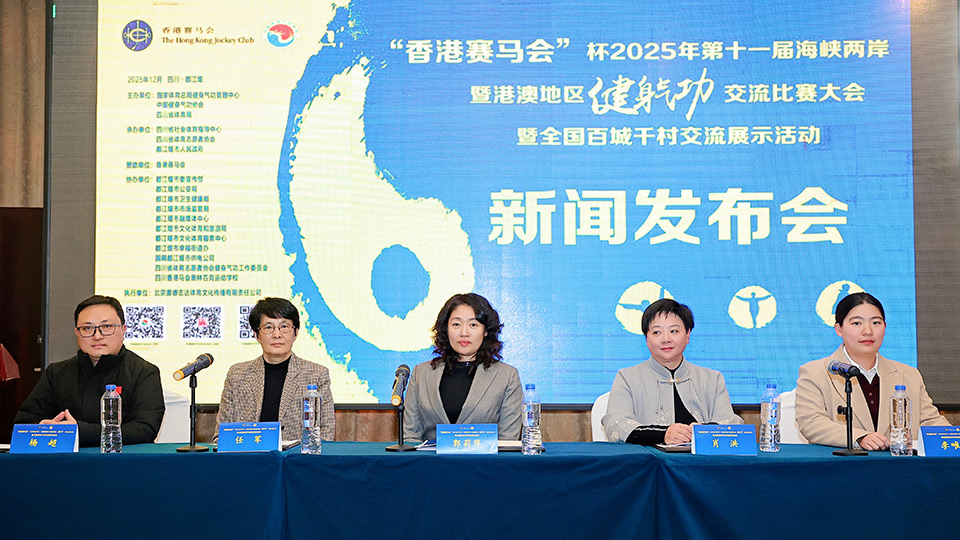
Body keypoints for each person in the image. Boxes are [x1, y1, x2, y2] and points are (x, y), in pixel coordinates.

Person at [796, 292, 949, 450]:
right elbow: (811, 423)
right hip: (841, 464)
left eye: (876, 323)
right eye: (857, 323)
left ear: (885, 327)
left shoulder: (909, 374)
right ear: (839, 329)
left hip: (899, 464)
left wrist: (952, 438)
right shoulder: (814, 372)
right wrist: (859, 438)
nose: (868, 331)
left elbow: (930, 421)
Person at [14, 295, 165, 446]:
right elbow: (23, 423)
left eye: (106, 327)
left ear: (123, 330)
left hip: (121, 459)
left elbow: (145, 429)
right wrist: (45, 428)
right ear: (77, 333)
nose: (97, 336)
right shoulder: (57, 373)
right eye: (87, 328)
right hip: (67, 460)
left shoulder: (144, 372)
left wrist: (77, 431)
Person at [602, 299, 741, 445]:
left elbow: (731, 423)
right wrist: (663, 435)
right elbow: (616, 425)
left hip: (700, 459)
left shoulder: (712, 379)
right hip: (648, 459)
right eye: (657, 332)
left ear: (687, 334)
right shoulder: (627, 377)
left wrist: (703, 431)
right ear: (646, 339)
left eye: (674, 331)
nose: (666, 339)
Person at [403, 293, 522, 442]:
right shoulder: (421, 373)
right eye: (456, 324)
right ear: (446, 329)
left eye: (473, 325)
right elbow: (410, 436)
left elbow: (507, 440)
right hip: (430, 457)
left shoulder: (507, 376)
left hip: (485, 458)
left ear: (486, 331)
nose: (464, 333)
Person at [216, 297, 334, 442]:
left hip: (296, 455)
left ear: (296, 333)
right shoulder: (237, 375)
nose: (277, 334)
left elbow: (326, 434)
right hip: (248, 454)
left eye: (284, 327)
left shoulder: (317, 375)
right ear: (256, 335)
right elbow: (221, 435)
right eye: (268, 327)